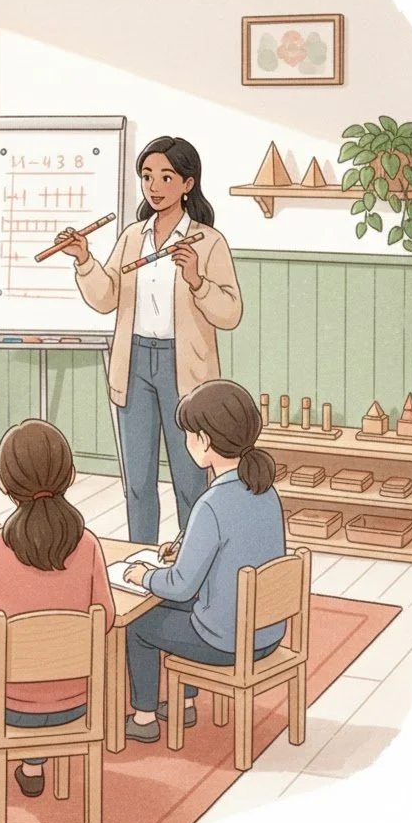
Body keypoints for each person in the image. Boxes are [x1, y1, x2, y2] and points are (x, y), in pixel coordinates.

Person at [56, 136, 243, 546]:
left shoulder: (207, 242)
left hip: (187, 371)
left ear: (188, 183)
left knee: (190, 479)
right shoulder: (131, 237)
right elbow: (106, 298)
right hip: (134, 362)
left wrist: (196, 279)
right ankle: (138, 559)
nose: (154, 186)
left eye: (166, 176)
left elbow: (230, 313)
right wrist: (84, 258)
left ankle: (194, 566)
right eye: (146, 177)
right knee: (138, 479)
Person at [0, 420, 115, 800]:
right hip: (77, 702)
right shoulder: (88, 545)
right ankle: (33, 766)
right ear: (70, 474)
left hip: (11, 707)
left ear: (5, 485)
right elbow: (105, 617)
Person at [121, 379, 286, 743]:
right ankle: (184, 704)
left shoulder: (211, 504)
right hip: (268, 631)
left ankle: (145, 718)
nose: (186, 442)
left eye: (189, 435)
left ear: (206, 441)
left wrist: (144, 576)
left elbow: (181, 586)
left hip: (227, 640)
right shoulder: (265, 491)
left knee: (137, 624)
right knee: (186, 607)